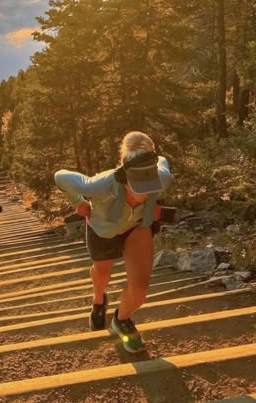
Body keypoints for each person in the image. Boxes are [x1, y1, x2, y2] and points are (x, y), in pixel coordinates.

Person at [54, 131, 172, 353]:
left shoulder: (161, 175)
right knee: (102, 272)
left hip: (137, 227)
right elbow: (60, 176)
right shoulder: (98, 185)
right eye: (138, 189)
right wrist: (77, 201)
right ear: (124, 177)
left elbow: (164, 162)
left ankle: (122, 319)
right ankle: (99, 301)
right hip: (103, 230)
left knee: (140, 287)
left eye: (150, 190)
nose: (143, 196)